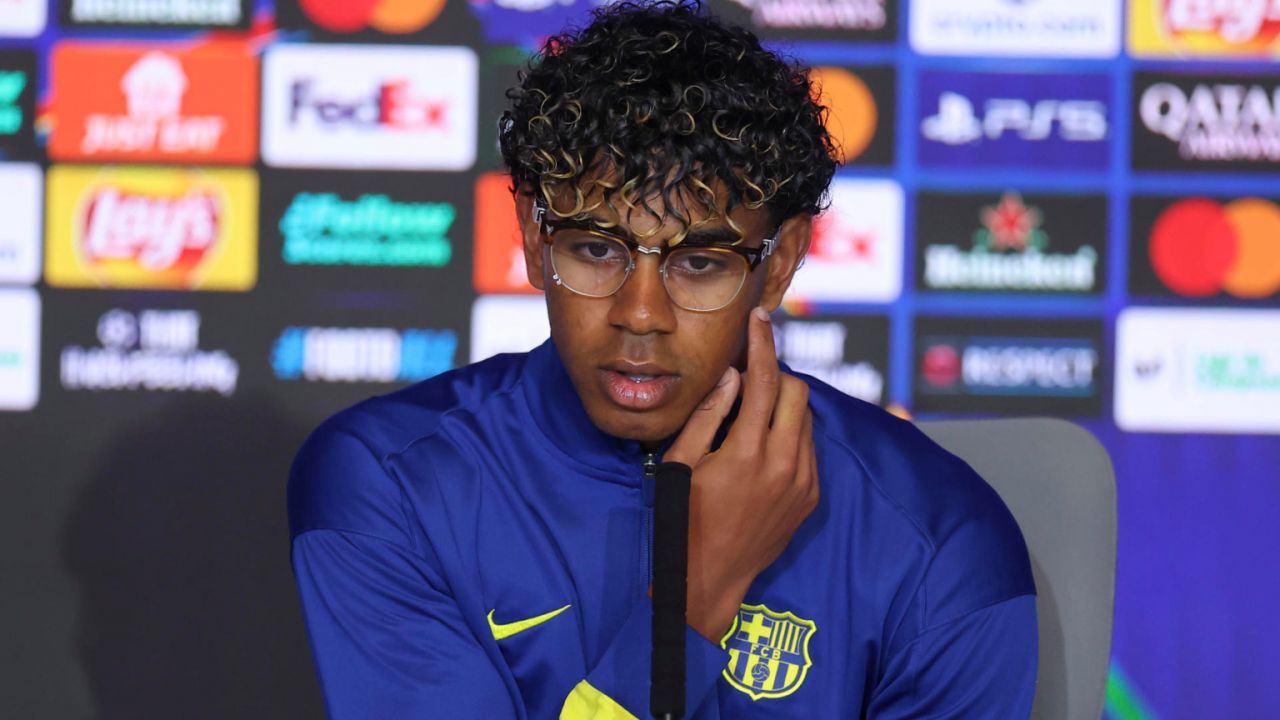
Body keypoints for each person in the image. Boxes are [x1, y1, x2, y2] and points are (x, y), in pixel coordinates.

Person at [287, 1, 1037, 717]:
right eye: (595, 249)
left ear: (779, 263)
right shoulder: (391, 484)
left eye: (700, 263)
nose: (640, 313)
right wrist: (697, 594)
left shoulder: (938, 536)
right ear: (533, 237)